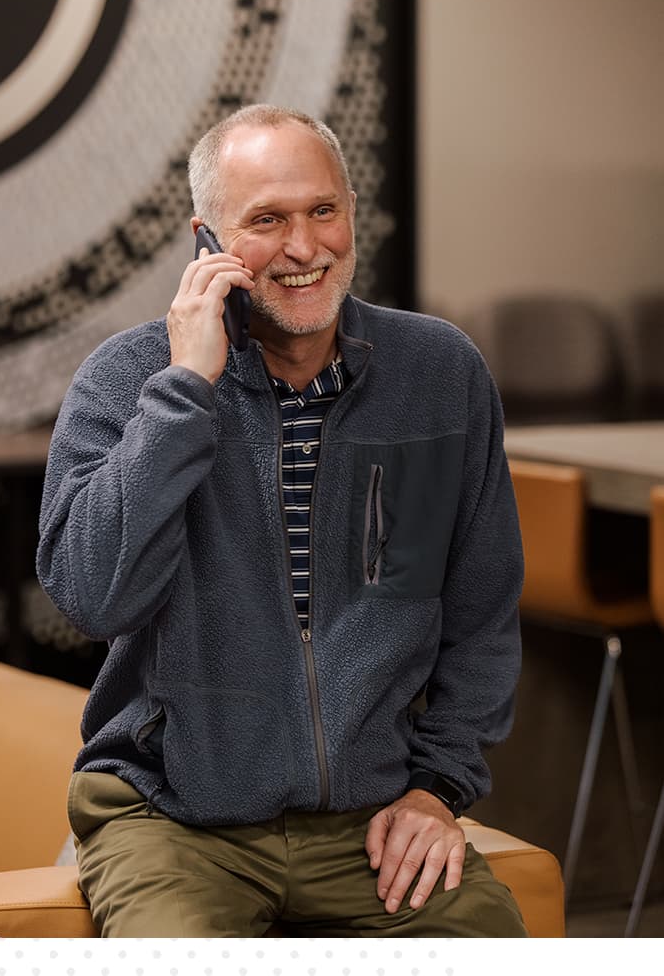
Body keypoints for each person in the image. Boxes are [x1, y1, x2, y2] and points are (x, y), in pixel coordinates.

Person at [37, 104, 527, 937]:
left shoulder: (437, 373)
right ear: (207, 240)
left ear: (350, 211)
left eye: (322, 211)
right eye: (266, 221)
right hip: (172, 822)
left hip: (370, 824)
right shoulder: (127, 382)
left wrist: (437, 788)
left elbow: (479, 615)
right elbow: (93, 597)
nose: (304, 248)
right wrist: (185, 392)